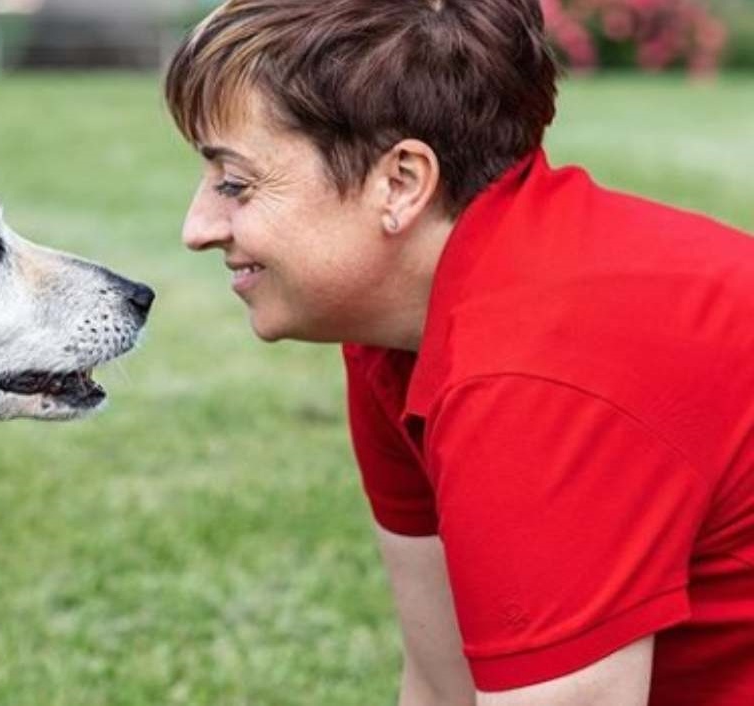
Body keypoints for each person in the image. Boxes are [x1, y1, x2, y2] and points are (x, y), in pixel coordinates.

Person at [163, 1, 754, 704]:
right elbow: (444, 687)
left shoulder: (533, 372)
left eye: (236, 183)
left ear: (403, 182)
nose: (197, 227)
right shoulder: (398, 331)